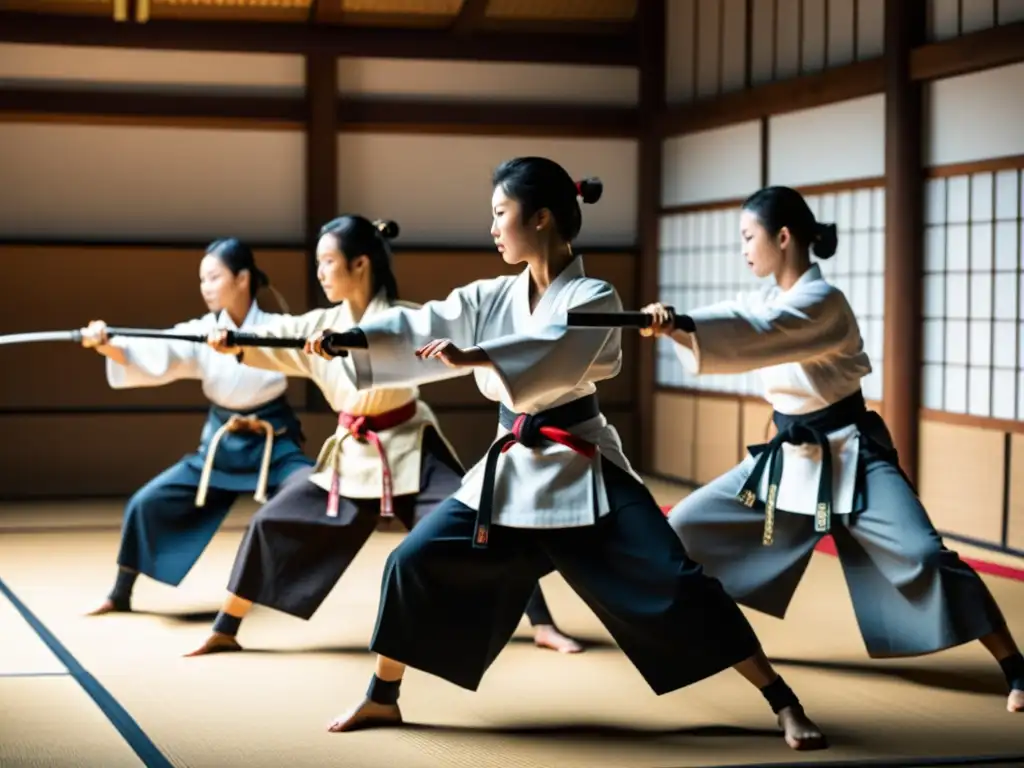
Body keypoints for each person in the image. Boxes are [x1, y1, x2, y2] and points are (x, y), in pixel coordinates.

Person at [301, 159, 827, 751]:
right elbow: (423, 321)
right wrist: (355, 341)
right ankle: (383, 695)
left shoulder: (594, 293)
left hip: (583, 467)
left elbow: (559, 348)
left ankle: (782, 700)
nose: (493, 228)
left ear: (543, 216)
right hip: (511, 469)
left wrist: (480, 358)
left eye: (501, 214)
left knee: (680, 584)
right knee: (411, 563)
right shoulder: (490, 294)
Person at [643, 185, 1024, 715]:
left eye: (749, 237)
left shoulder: (823, 302)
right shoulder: (766, 299)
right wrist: (673, 325)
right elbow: (737, 317)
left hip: (851, 452)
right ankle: (722, 644)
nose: (744, 249)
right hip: (788, 457)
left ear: (783, 237)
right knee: (681, 527)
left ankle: (1014, 664)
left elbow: (760, 332)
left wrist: (684, 326)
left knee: (924, 555)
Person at [196, 215, 580, 656]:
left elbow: (449, 339)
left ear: (360, 264)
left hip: (410, 446)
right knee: (272, 521)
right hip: (352, 453)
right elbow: (276, 335)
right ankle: (226, 626)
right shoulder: (318, 324)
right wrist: (236, 341)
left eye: (327, 262)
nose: (319, 273)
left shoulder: (405, 321)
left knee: (480, 524)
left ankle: (543, 624)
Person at [81, 238, 314, 616]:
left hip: (274, 444)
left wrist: (241, 345)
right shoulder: (200, 331)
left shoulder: (278, 328)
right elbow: (157, 353)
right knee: (147, 502)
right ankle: (121, 592)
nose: (205, 287)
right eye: (201, 280)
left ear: (242, 279)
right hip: (220, 448)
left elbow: (306, 352)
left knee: (310, 490)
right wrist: (107, 344)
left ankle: (278, 587)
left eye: (213, 277)